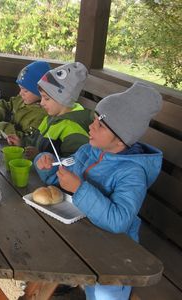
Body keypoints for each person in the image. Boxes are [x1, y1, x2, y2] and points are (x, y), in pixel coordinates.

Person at [35, 82, 163, 300]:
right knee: (43, 249)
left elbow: (119, 221)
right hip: (80, 231)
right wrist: (45, 163)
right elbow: (61, 178)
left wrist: (79, 188)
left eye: (100, 125)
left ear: (121, 138)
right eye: (94, 120)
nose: (90, 127)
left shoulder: (132, 174)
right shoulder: (88, 151)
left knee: (104, 294)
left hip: (116, 251)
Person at [7, 62, 92, 159]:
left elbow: (76, 163)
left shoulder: (73, 130)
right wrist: (22, 143)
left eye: (46, 98)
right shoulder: (50, 118)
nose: (42, 103)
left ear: (63, 99)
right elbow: (35, 141)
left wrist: (40, 156)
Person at [0, 60, 50, 140]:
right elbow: (6, 105)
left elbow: (27, 139)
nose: (20, 93)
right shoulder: (21, 99)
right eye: (20, 89)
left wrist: (1, 127)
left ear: (40, 92)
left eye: (25, 90)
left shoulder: (41, 116)